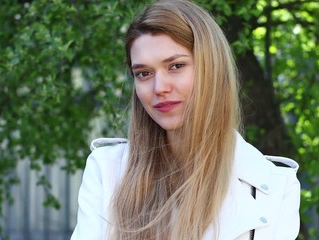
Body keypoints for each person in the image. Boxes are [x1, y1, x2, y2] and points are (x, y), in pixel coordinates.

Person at [71, 0, 300, 239]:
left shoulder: (275, 187)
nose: (159, 87)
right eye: (143, 73)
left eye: (176, 66)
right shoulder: (106, 170)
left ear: (211, 69)